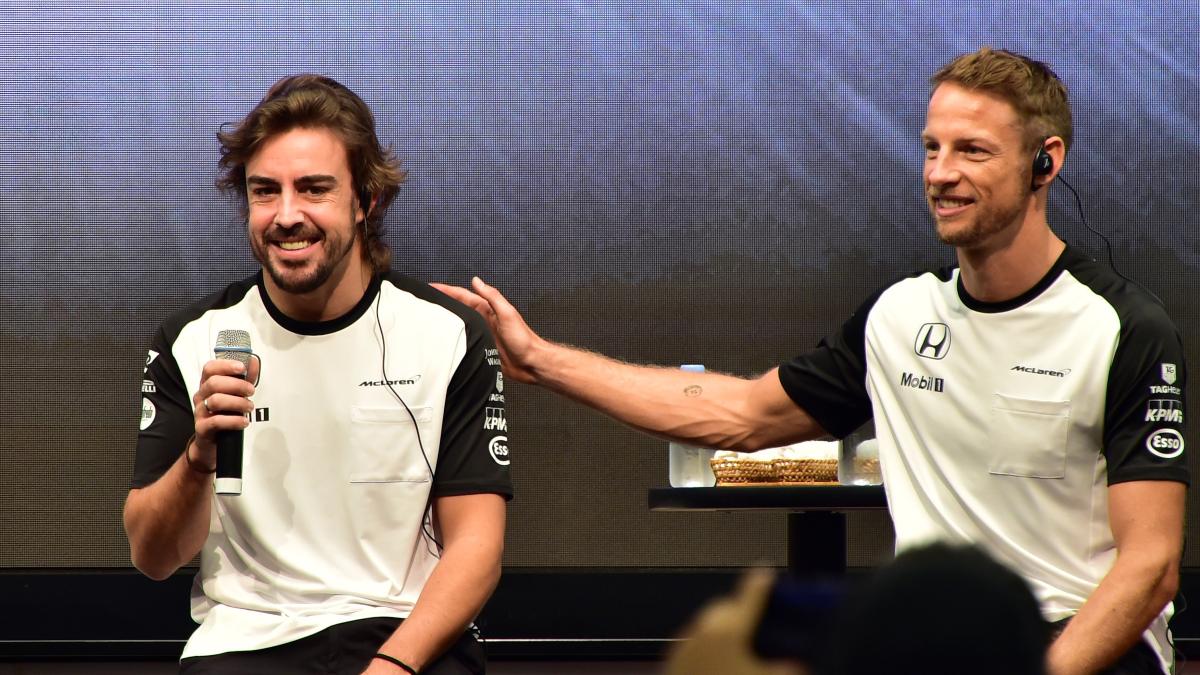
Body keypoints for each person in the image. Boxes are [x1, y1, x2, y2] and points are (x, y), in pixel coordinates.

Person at [435, 47, 1187, 675]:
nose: (940, 173)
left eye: (972, 151)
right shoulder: (898, 315)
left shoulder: (1122, 327)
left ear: (1044, 163)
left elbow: (1150, 565)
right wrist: (542, 360)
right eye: (931, 147)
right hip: (928, 645)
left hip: (1080, 643)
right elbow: (741, 413)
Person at [124, 74, 512, 675]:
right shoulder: (192, 339)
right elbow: (153, 557)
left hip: (404, 633)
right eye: (263, 191)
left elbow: (477, 546)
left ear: (366, 201)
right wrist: (199, 455)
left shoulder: (448, 334)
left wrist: (392, 668)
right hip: (244, 642)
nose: (286, 216)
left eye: (313, 189)